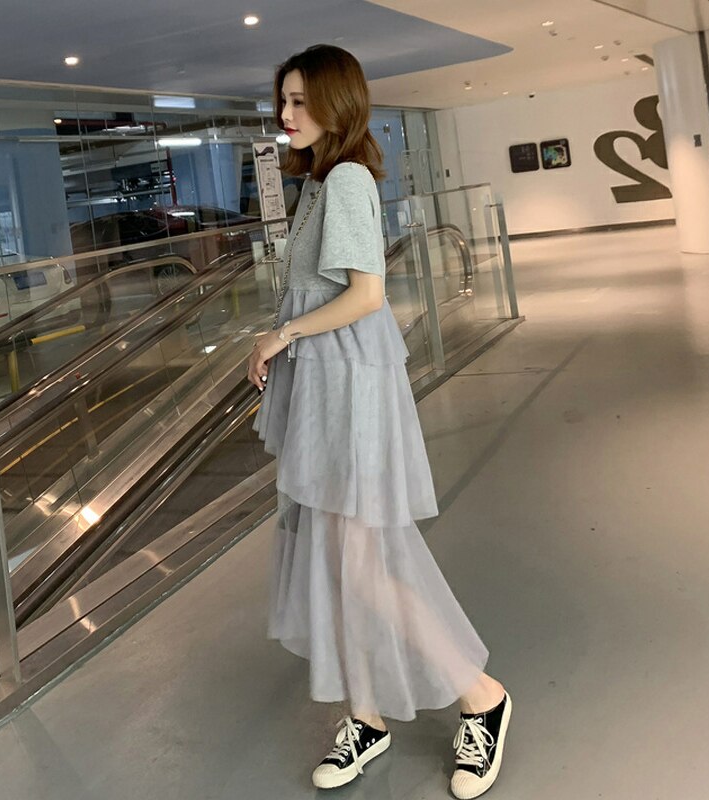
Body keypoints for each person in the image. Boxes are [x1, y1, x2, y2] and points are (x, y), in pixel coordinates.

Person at [247, 44, 511, 799]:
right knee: (337, 559)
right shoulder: (319, 182)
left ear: (337, 102)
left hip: (349, 385)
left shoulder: (348, 179)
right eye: (283, 99)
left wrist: (282, 335)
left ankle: (481, 697)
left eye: (300, 100)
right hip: (326, 384)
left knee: (361, 561)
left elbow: (366, 294)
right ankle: (365, 714)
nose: (286, 114)